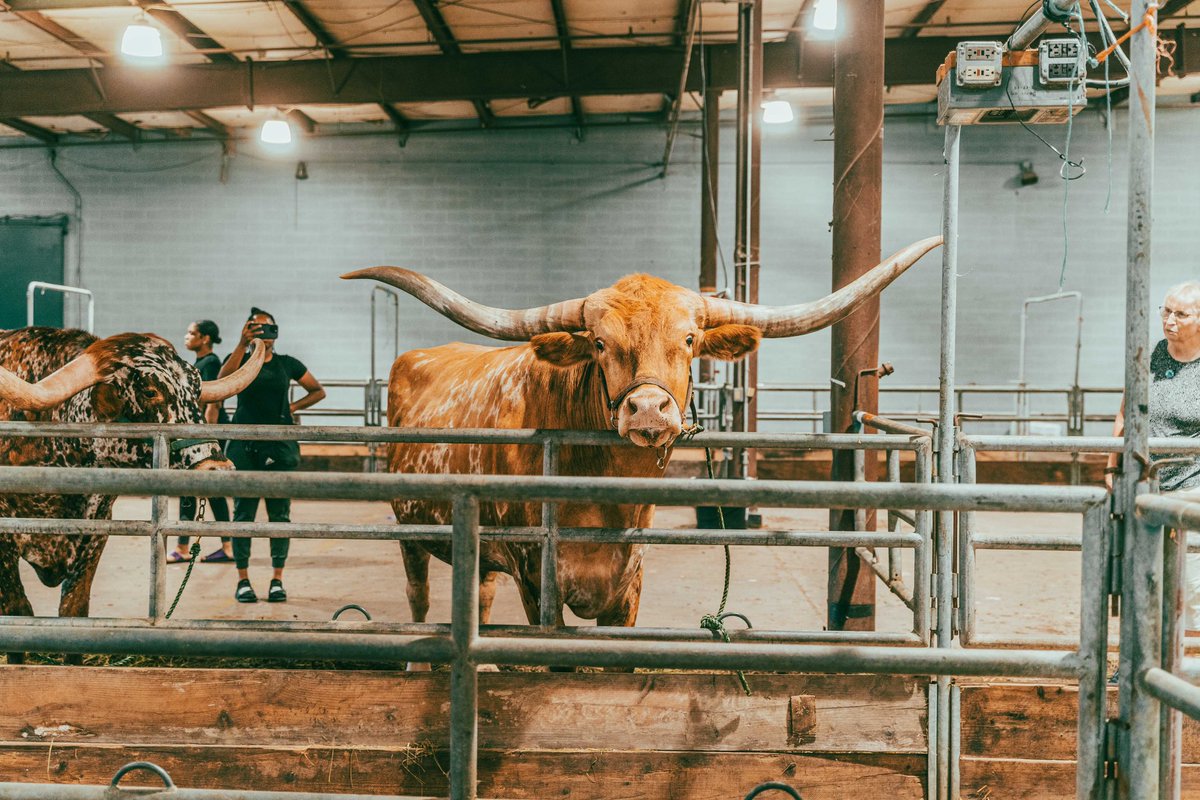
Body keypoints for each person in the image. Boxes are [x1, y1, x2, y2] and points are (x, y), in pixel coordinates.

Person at [1107, 281, 1200, 632]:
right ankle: (1141, 657)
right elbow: (1124, 412)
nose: (1169, 319)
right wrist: (1111, 464)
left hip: (1193, 486)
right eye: (1166, 310)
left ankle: (1187, 666)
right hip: (1147, 482)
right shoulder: (1150, 356)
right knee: (1142, 574)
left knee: (1190, 580)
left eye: (1181, 313)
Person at [218, 307, 325, 603]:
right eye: (256, 328)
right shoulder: (240, 362)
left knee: (279, 515)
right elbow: (221, 384)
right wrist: (242, 345)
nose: (263, 333)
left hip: (279, 446)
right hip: (245, 447)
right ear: (248, 331)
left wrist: (291, 409)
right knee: (243, 514)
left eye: (267, 328)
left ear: (276, 332)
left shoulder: (287, 364)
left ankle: (277, 579)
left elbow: (317, 391)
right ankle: (243, 580)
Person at [169, 320, 233, 564]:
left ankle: (221, 547)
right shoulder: (199, 363)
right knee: (196, 490)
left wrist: (206, 436)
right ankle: (188, 547)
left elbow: (211, 402)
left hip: (204, 432)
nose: (187, 337)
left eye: (191, 333)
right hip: (197, 431)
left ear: (205, 338)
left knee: (206, 489)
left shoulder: (210, 363)